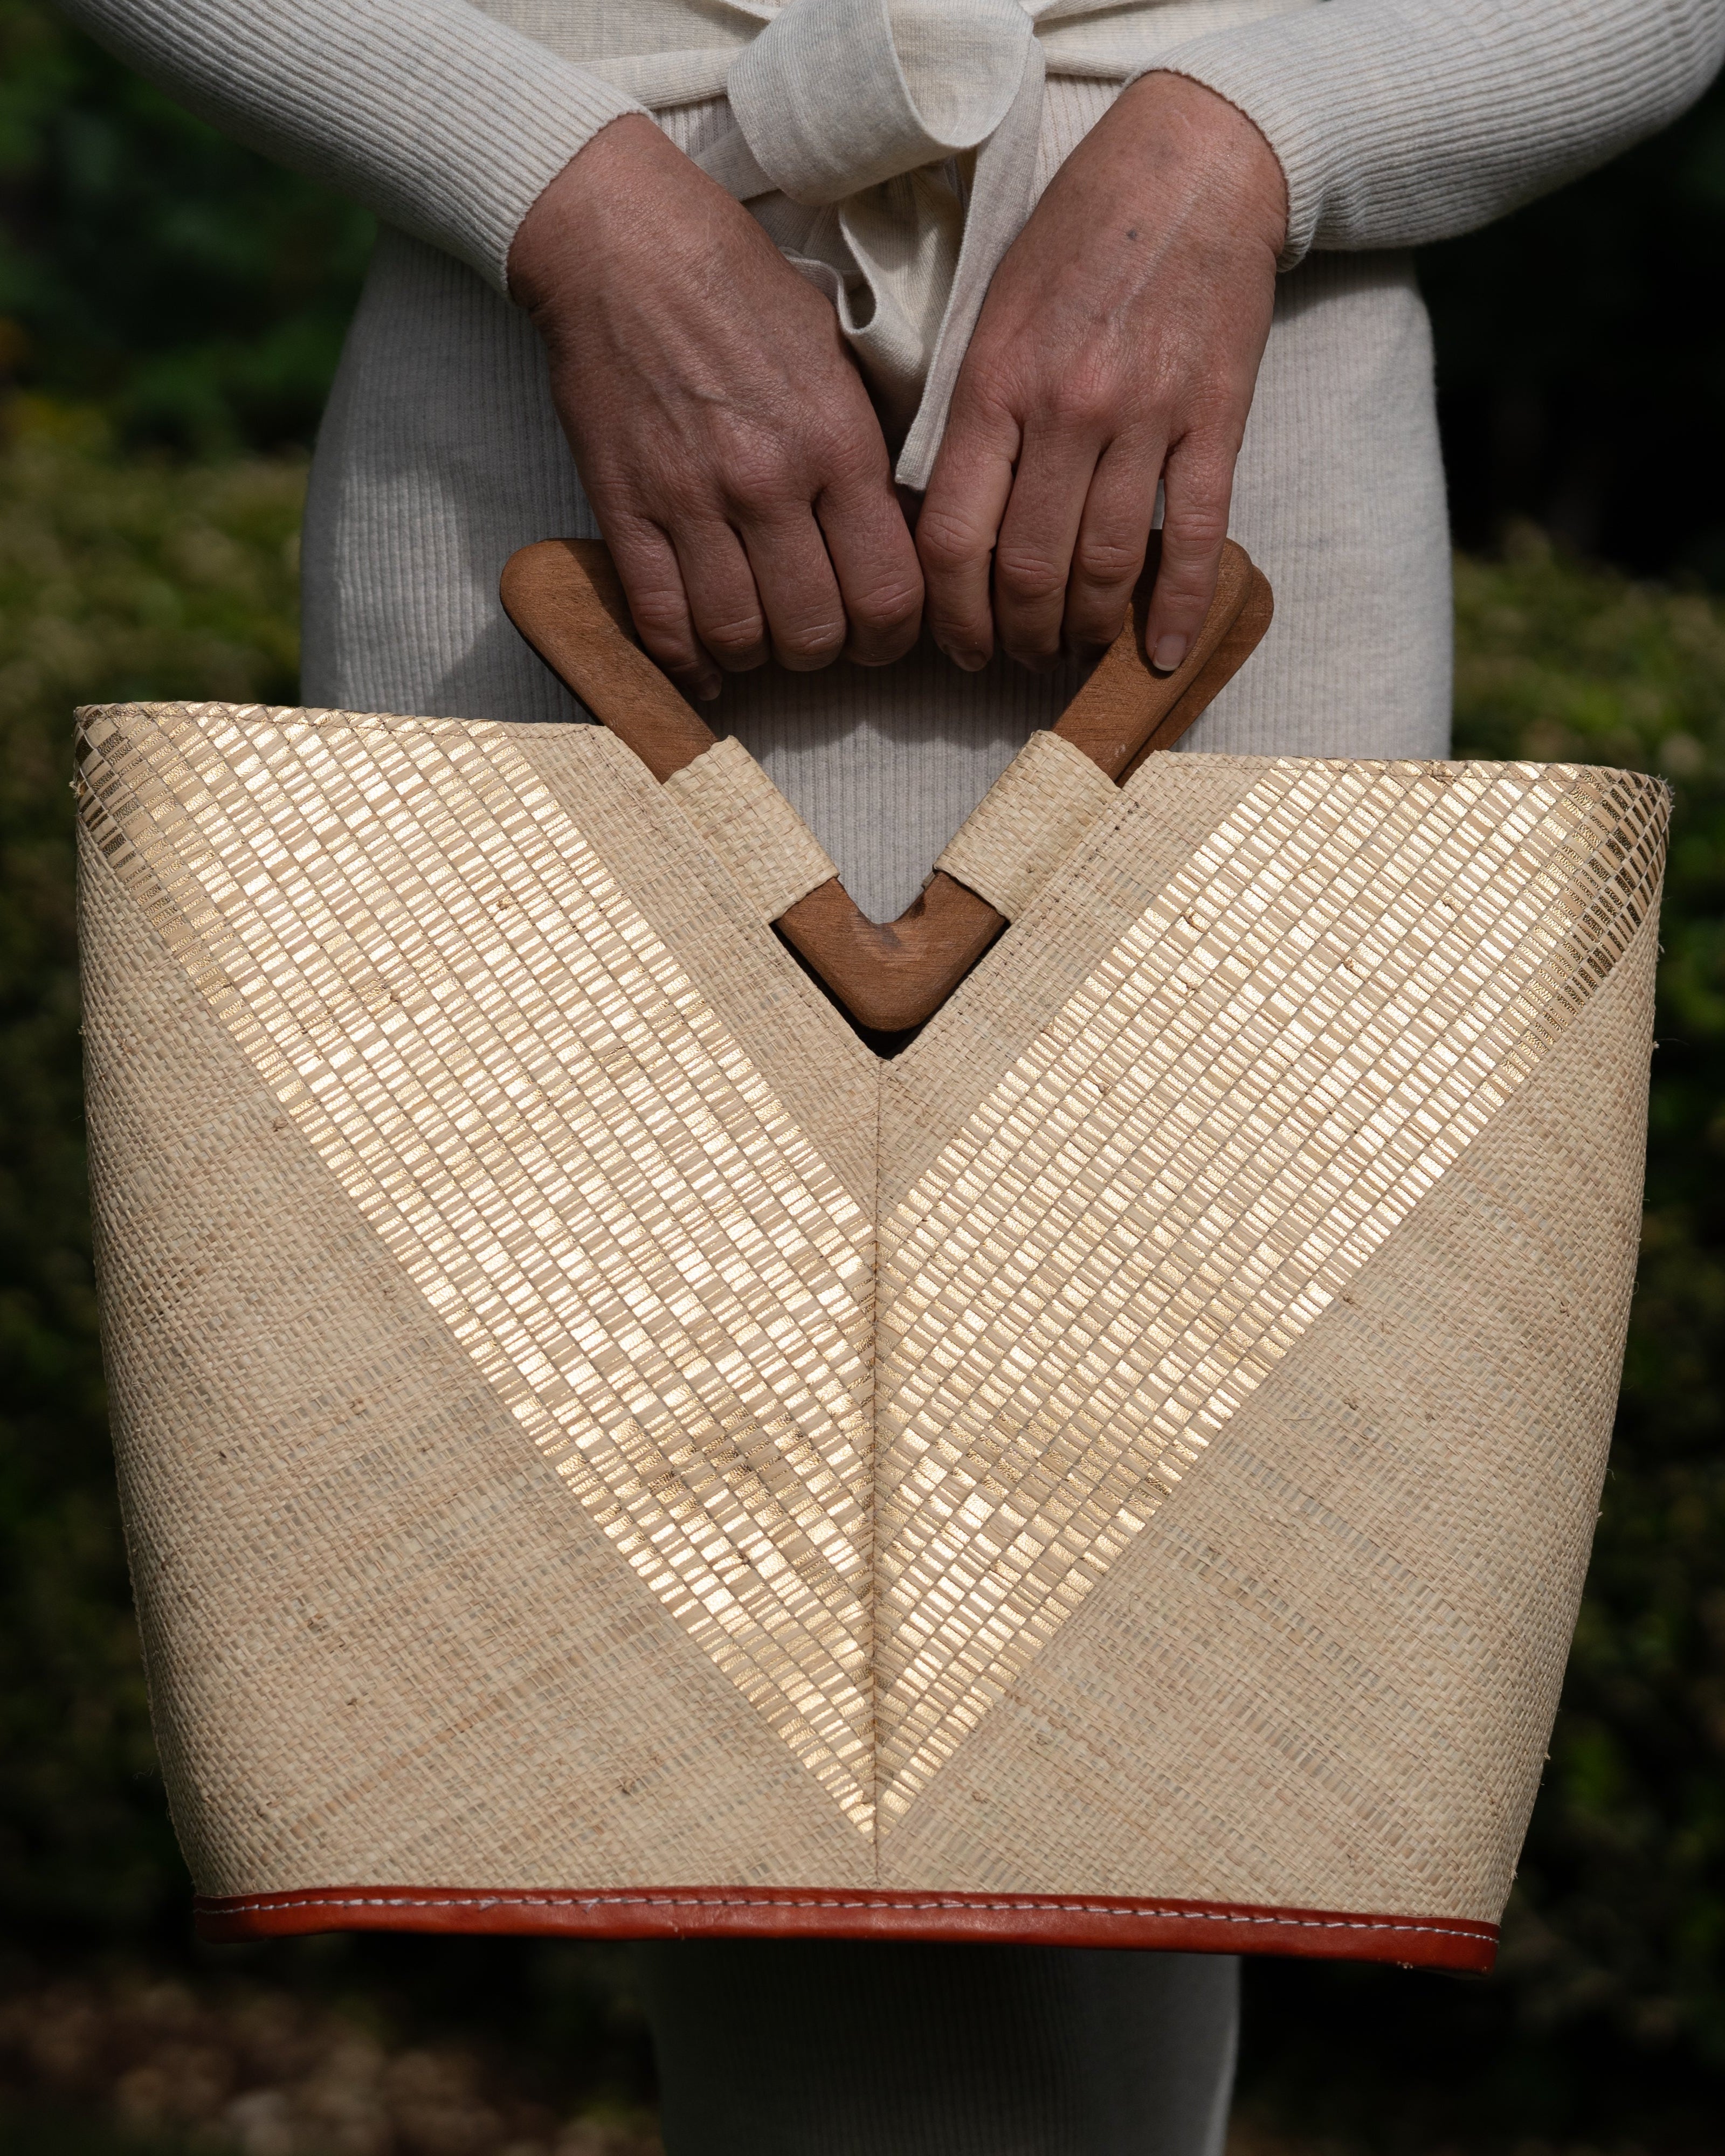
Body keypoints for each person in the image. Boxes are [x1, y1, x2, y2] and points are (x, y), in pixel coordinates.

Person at [60, 1, 1725, 2148]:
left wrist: (1248, 140)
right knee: (695, 1765)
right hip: (544, 404)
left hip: (1214, 428)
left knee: (1127, 1779)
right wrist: (553, 193)